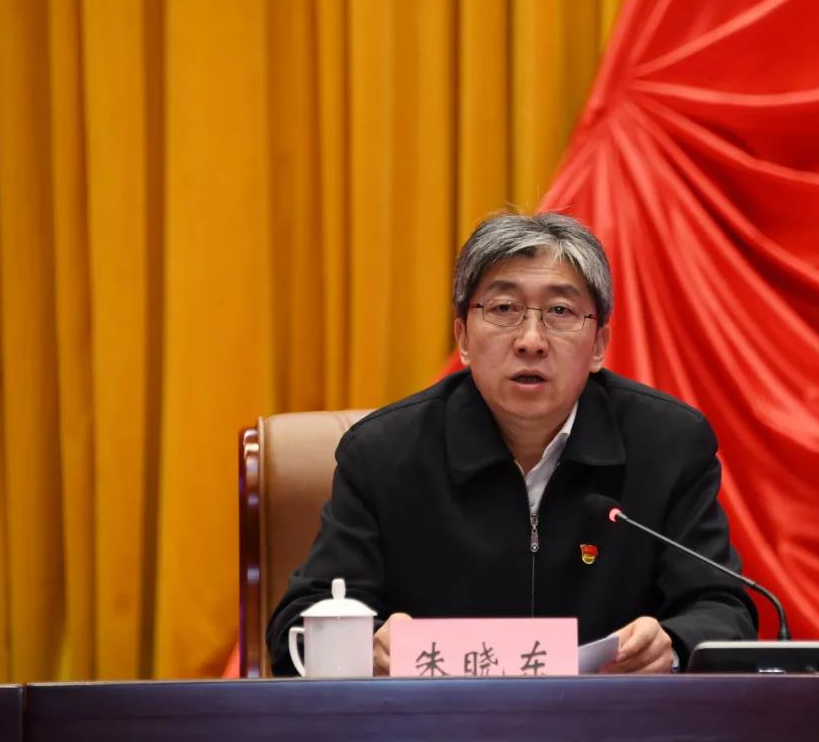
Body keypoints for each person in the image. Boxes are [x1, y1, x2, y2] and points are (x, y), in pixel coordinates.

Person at [266, 212, 757, 676]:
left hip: (608, 721)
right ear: (462, 337)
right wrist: (366, 645)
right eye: (504, 309)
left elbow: (723, 611)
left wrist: (673, 645)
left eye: (560, 311)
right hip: (437, 722)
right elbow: (296, 626)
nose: (531, 340)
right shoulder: (383, 454)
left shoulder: (668, 445)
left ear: (599, 345)